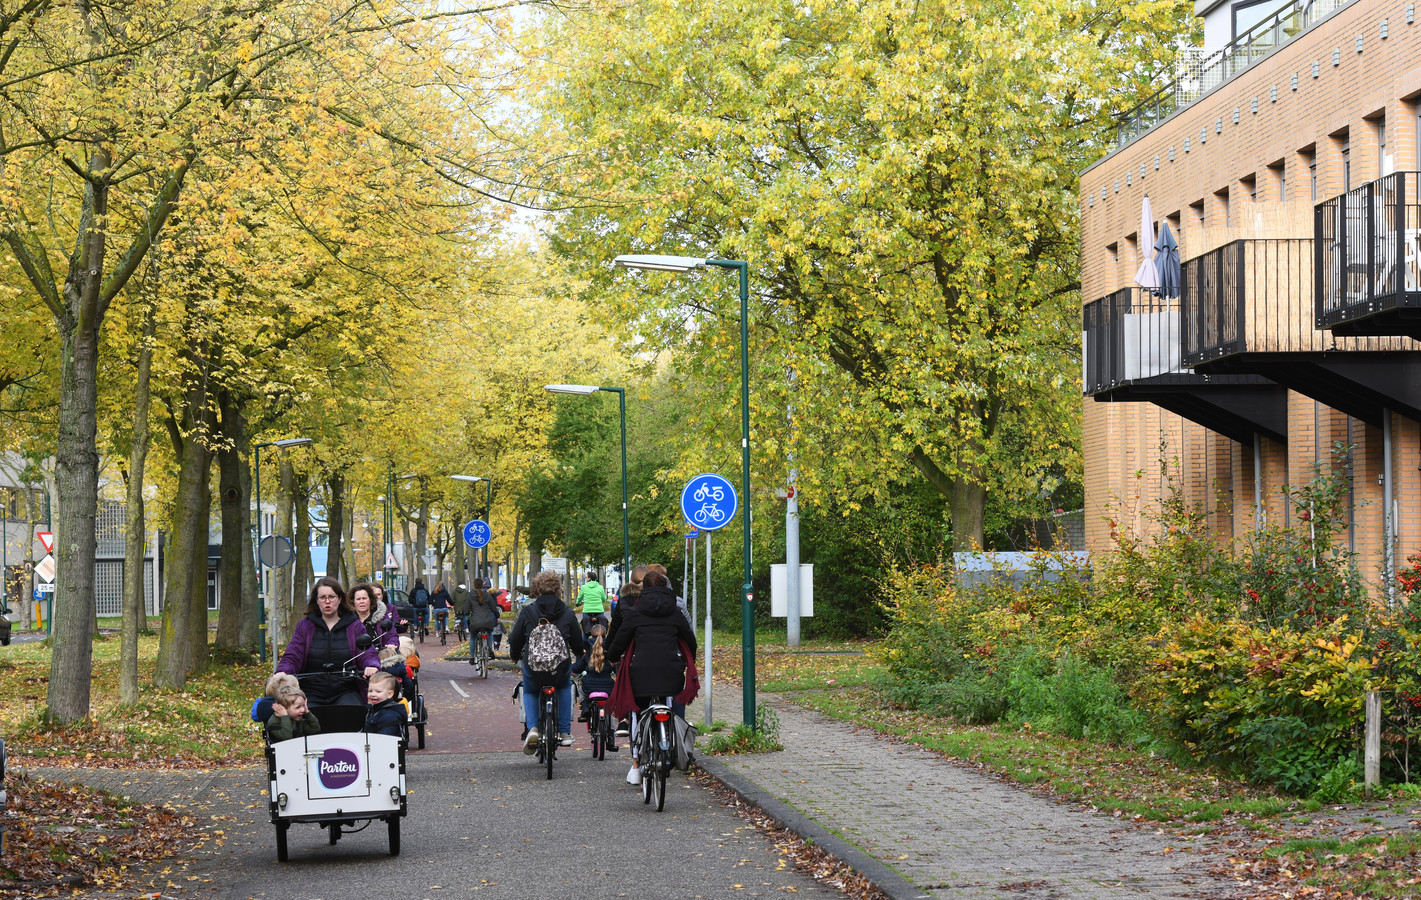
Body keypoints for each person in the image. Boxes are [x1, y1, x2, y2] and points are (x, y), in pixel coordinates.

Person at [606, 570, 696, 785]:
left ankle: (636, 765)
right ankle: (670, 748)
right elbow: (690, 641)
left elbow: (620, 640)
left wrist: (611, 657)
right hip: (671, 672)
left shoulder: (636, 613)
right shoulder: (675, 613)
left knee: (637, 712)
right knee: (669, 705)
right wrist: (689, 660)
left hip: (641, 673)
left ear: (643, 589)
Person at [508, 569, 586, 752]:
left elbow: (515, 638)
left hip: (533, 666)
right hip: (560, 667)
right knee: (565, 687)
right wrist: (578, 652)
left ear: (537, 590)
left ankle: (533, 728)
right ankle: (565, 732)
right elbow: (576, 640)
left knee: (530, 691)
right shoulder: (567, 612)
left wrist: (514, 654)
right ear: (559, 590)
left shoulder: (528, 611)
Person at [275, 577, 381, 706]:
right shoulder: (305, 626)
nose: (327, 601)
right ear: (316, 600)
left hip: (345, 690)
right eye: (322, 597)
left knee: (353, 714)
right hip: (311, 690)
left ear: (340, 598)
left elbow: (366, 652)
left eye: (331, 597)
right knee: (303, 717)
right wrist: (283, 672)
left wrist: (371, 665)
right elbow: (293, 654)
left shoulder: (354, 626)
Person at [573, 623, 617, 750]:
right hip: (607, 686)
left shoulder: (585, 648)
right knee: (608, 710)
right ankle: (611, 739)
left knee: (580, 690)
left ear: (590, 635)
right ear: (606, 634)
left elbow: (578, 668)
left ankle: (585, 707)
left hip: (589, 686)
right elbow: (615, 668)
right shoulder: (611, 649)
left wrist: (569, 668)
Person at [466, 579, 500, 665]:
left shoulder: (470, 595)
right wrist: (497, 616)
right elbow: (494, 608)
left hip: (475, 622)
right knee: (490, 632)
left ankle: (472, 657)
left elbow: (466, 610)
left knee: (473, 638)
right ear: (482, 585)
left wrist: (467, 613)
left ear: (474, 585)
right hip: (487, 621)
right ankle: (490, 649)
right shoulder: (487, 594)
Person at [364, 671, 406, 738]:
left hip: (385, 745)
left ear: (389, 694)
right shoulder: (372, 709)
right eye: (370, 691)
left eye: (378, 691)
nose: (373, 694)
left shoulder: (391, 716)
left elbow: (385, 738)